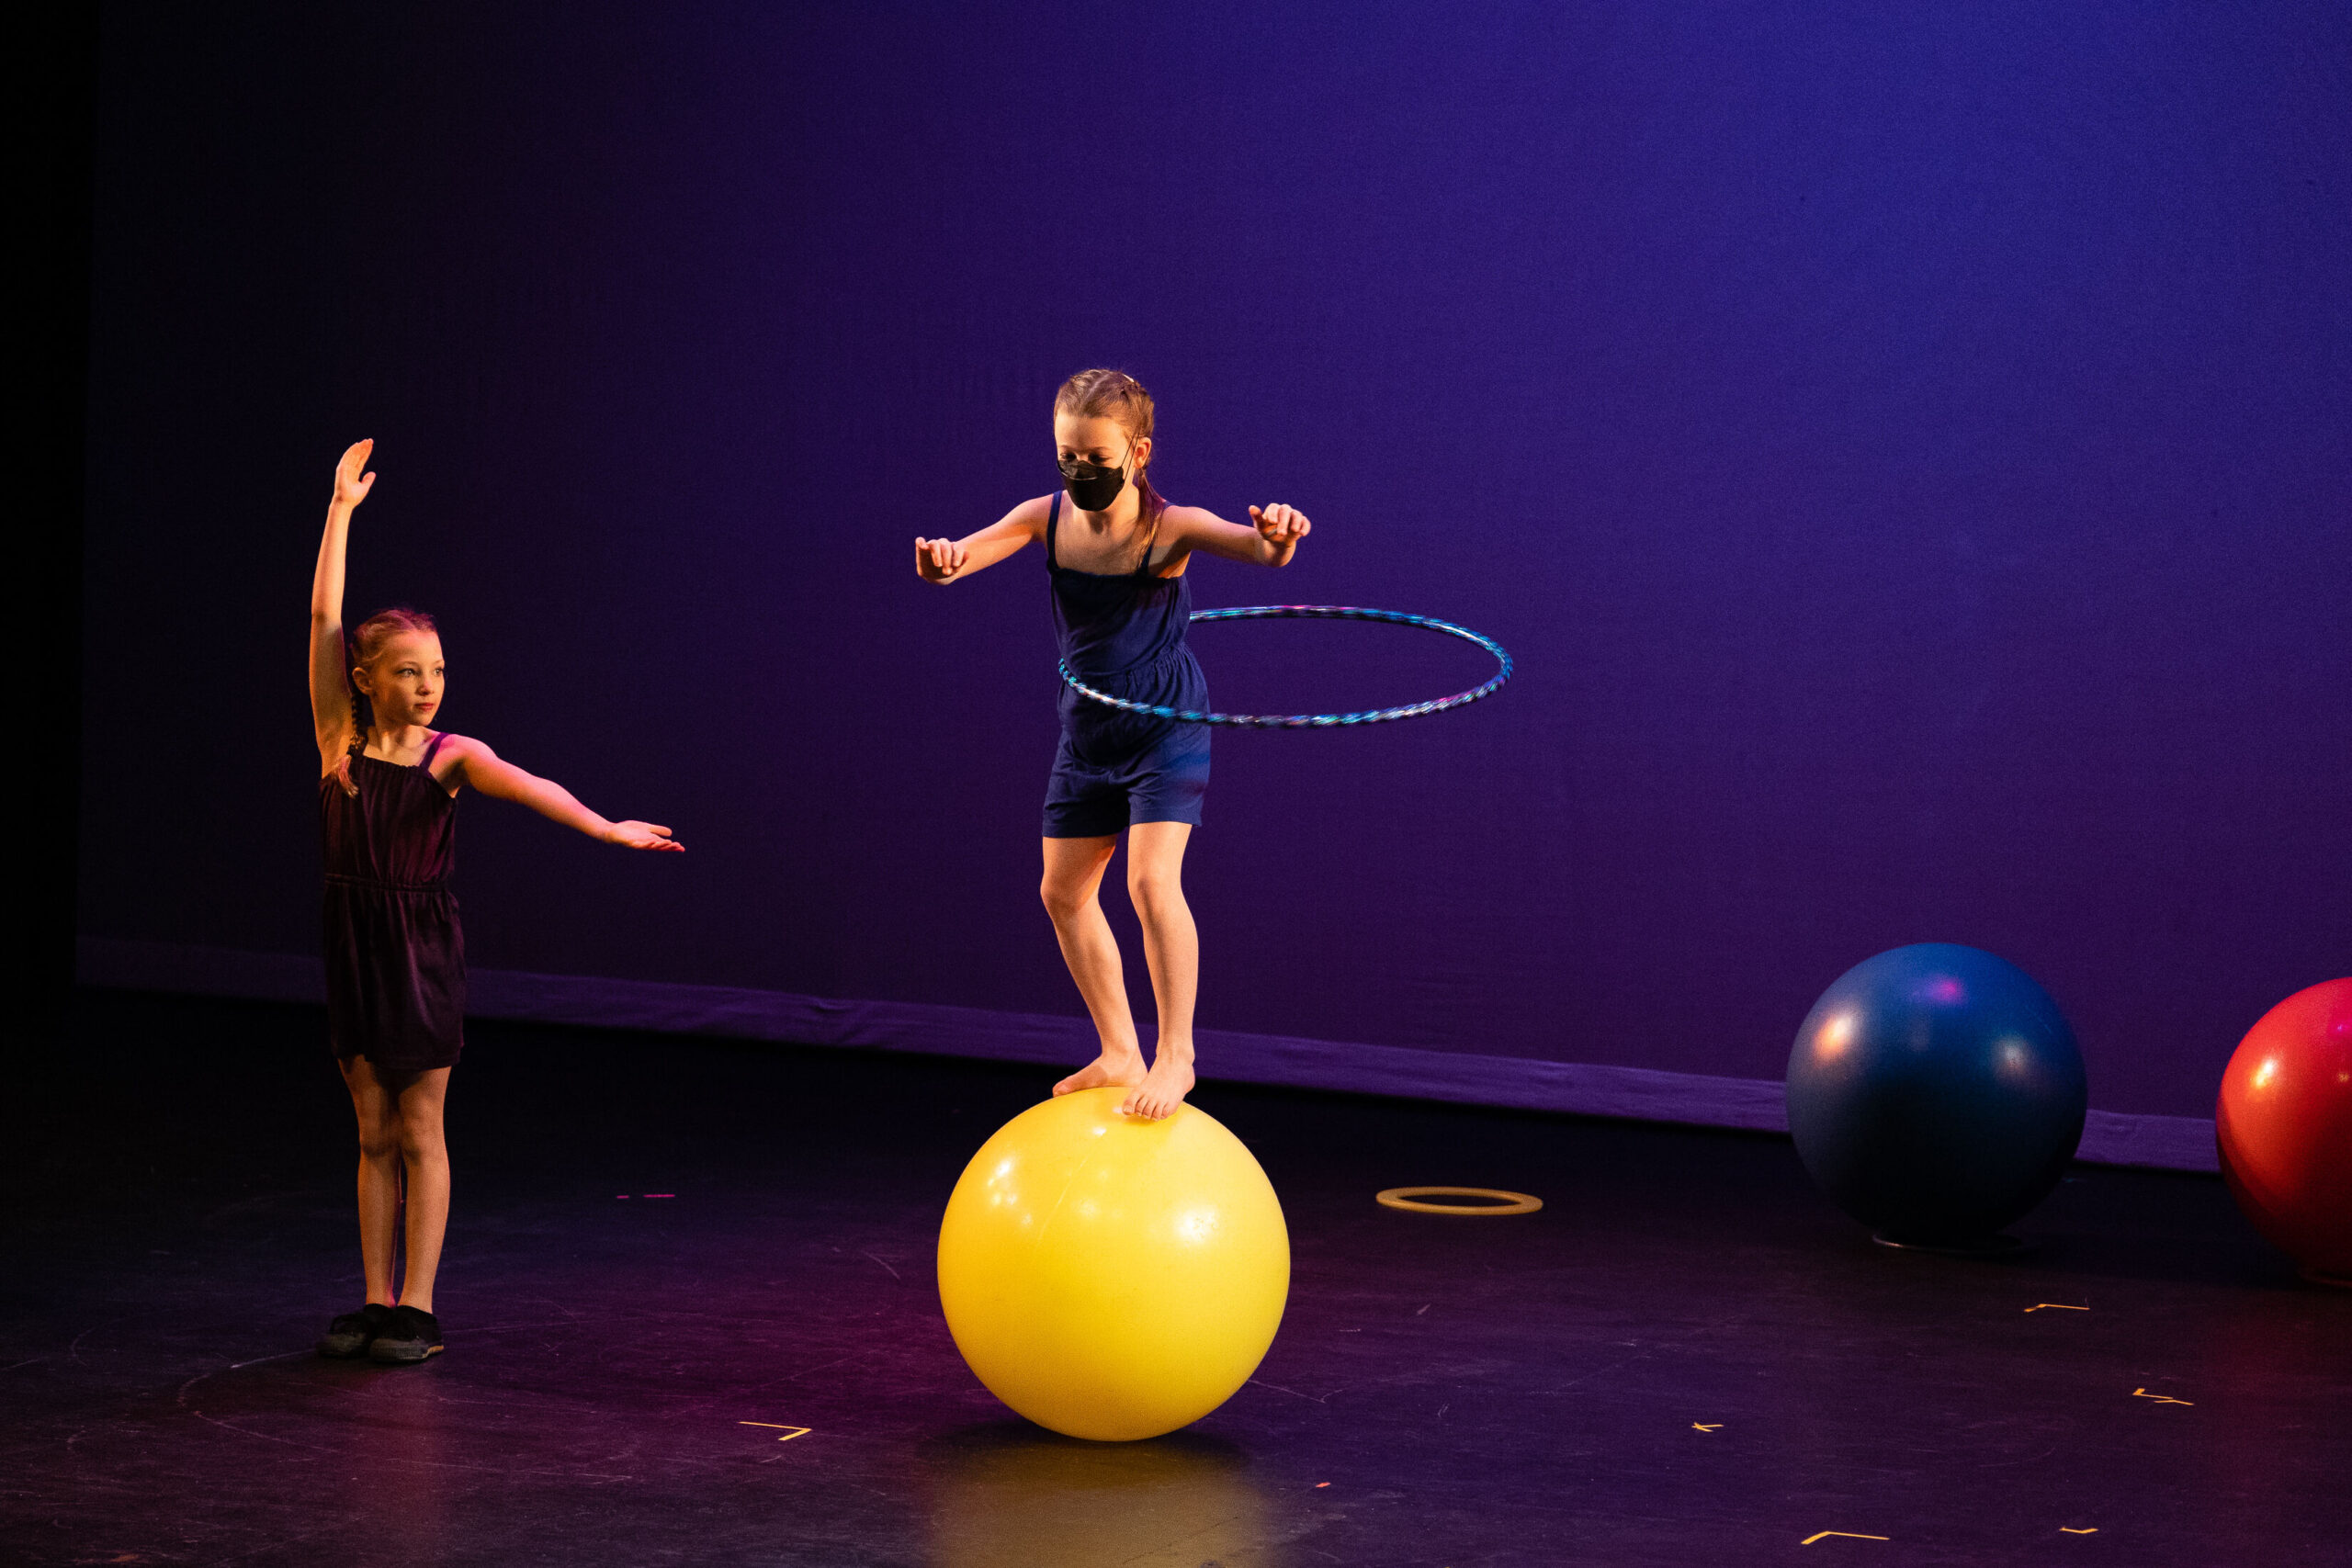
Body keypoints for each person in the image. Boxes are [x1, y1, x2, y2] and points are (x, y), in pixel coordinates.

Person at [307, 439, 682, 1364]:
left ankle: (419, 1304)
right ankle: (373, 1296)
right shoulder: (339, 740)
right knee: (371, 1128)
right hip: (355, 941)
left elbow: (532, 785)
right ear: (365, 677)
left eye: (437, 670)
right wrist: (341, 512)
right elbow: (323, 617)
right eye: (408, 671)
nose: (427, 685)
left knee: (420, 1124)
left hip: (419, 947)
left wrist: (605, 829)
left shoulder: (453, 757)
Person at [914, 370, 1310, 1120]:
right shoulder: (1044, 517)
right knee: (1061, 893)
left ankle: (1177, 1055)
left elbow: (1259, 552)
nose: (1079, 471)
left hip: (1164, 724)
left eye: (1096, 458)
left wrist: (1278, 538)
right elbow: (963, 555)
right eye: (1067, 456)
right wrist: (942, 560)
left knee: (1151, 883)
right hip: (1088, 727)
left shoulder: (1170, 526)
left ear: (1139, 451)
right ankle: (1120, 1048)